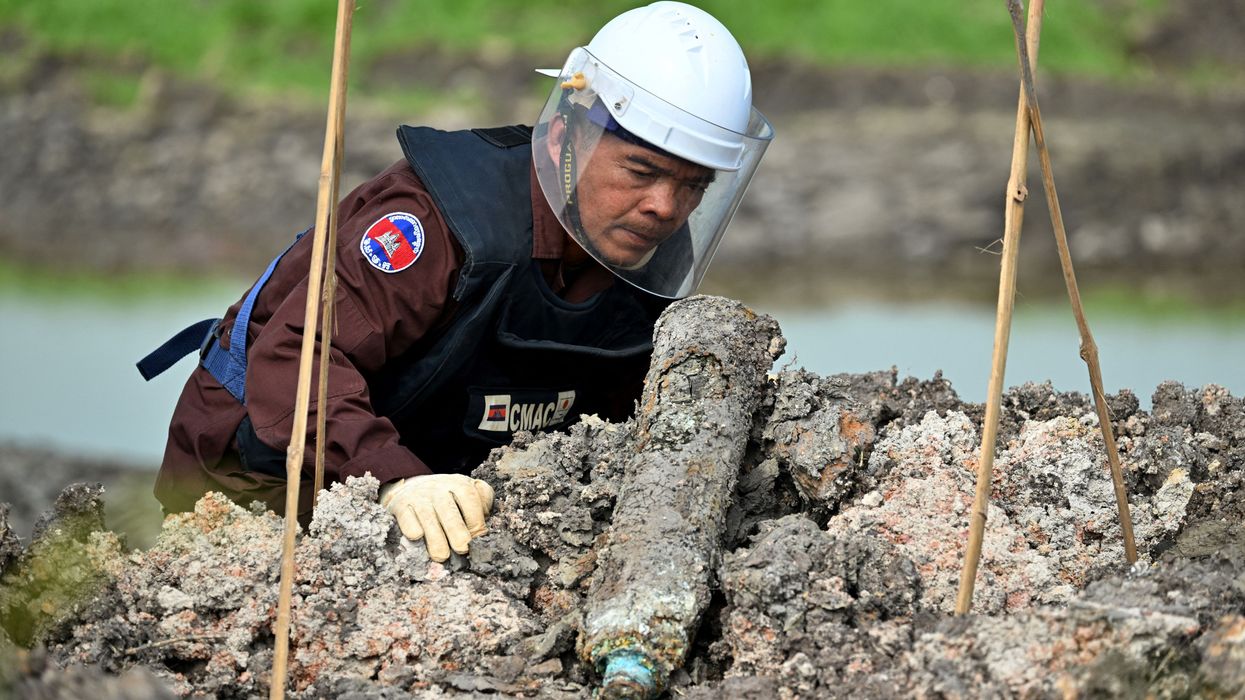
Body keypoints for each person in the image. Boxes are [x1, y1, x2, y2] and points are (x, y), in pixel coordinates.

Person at [139, 1, 773, 562]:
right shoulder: (438, 225)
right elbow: (296, 356)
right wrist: (393, 479)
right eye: (641, 171)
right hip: (257, 479)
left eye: (694, 185)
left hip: (447, 487)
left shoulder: (648, 245)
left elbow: (616, 415)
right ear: (566, 134)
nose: (666, 207)